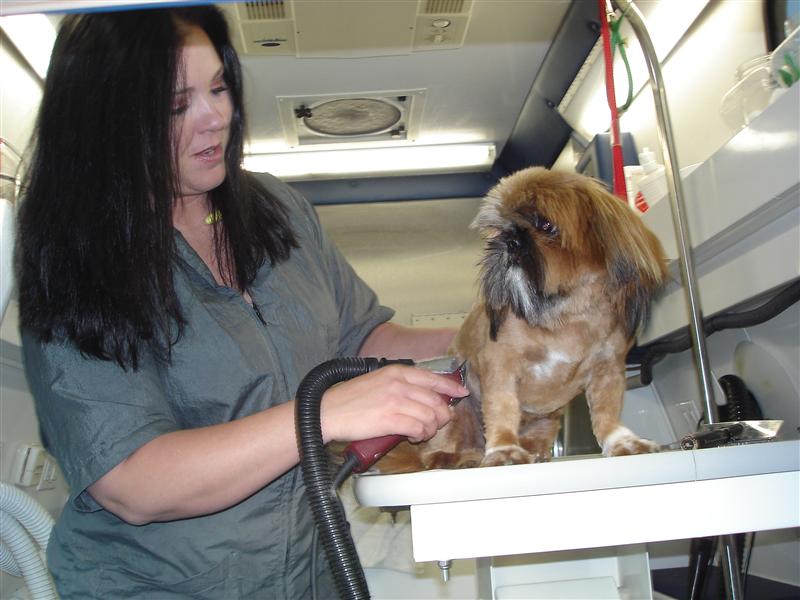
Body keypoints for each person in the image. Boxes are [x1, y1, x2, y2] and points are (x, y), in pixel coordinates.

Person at [15, 6, 467, 599]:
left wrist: (482, 337)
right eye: (177, 105)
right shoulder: (75, 252)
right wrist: (324, 414)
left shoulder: (275, 208)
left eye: (219, 87)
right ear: (108, 121)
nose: (216, 118)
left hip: (309, 574)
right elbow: (132, 482)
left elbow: (360, 341)